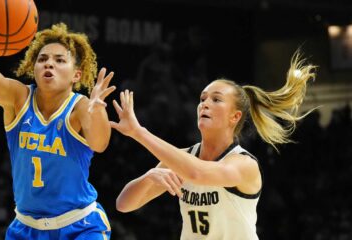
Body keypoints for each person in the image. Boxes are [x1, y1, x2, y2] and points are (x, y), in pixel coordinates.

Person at [111, 51, 316, 239]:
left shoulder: (244, 164)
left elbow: (198, 174)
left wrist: (139, 132)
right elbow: (124, 204)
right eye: (202, 99)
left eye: (216, 100)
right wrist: (148, 178)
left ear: (235, 117)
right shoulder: (184, 157)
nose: (205, 104)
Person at [0, 22, 115, 239]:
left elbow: (100, 144)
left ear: (76, 75)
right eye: (42, 59)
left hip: (79, 226)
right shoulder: (18, 98)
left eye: (60, 60)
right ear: (32, 67)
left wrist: (98, 110)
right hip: (26, 228)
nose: (49, 64)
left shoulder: (81, 107)